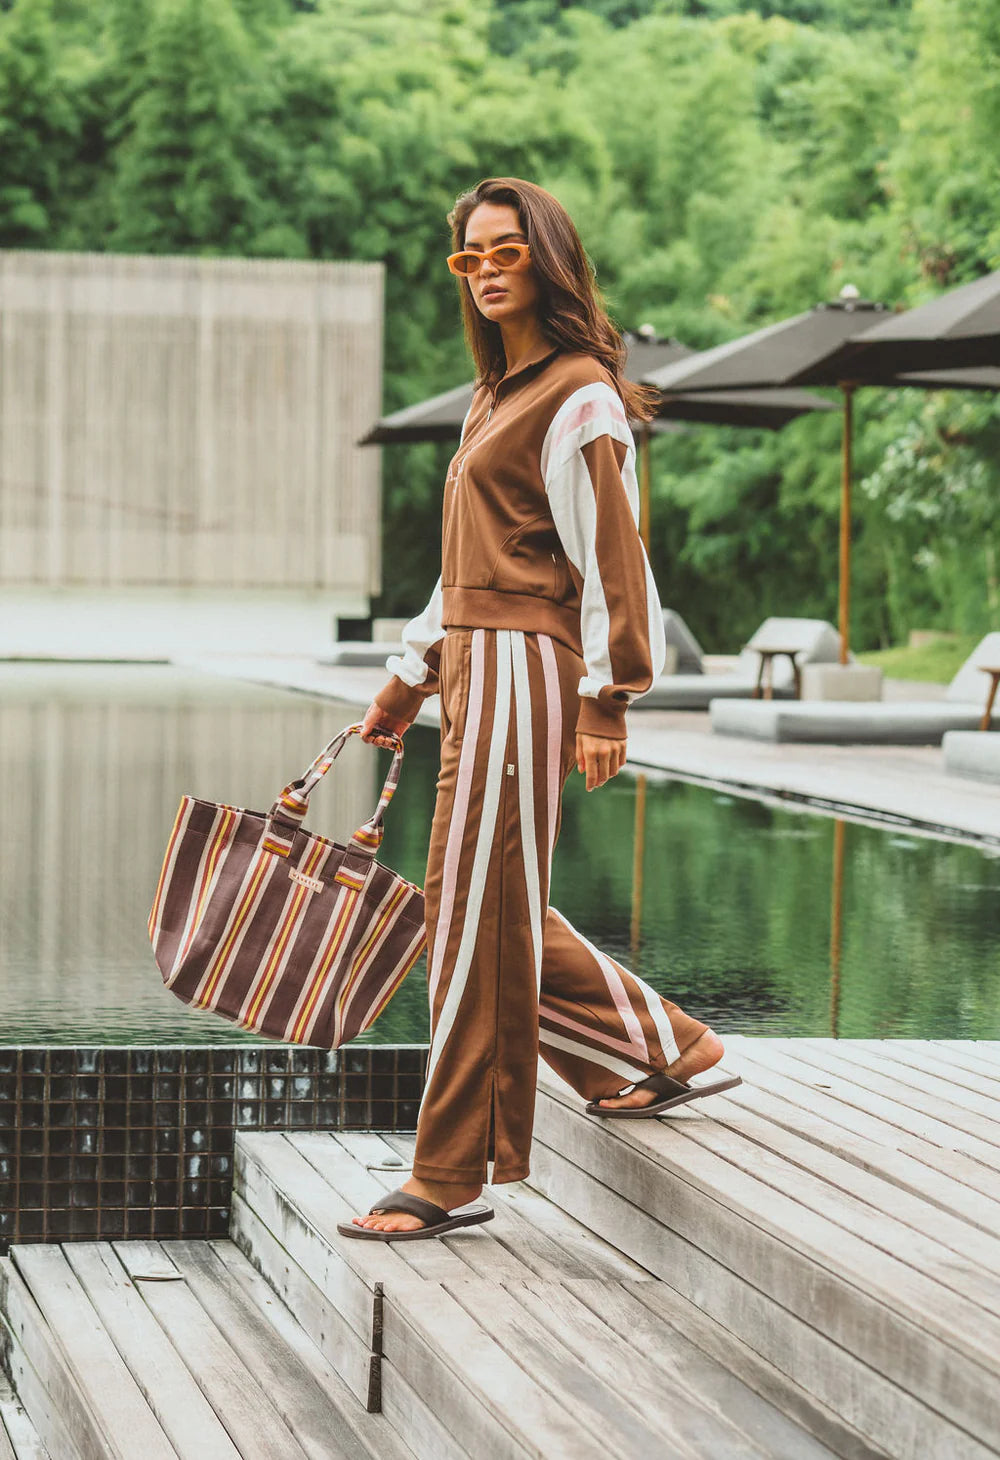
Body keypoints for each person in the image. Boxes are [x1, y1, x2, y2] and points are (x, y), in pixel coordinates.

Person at [338, 177, 739, 1242]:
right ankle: (658, 1046)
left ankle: (448, 1170)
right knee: (481, 902)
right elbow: (464, 567)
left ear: (548, 257)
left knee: (472, 909)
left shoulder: (581, 394)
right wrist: (407, 671)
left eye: (507, 247)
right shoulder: (492, 393)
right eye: (471, 254)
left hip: (528, 669)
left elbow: (615, 559)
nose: (487, 266)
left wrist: (608, 698)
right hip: (473, 661)